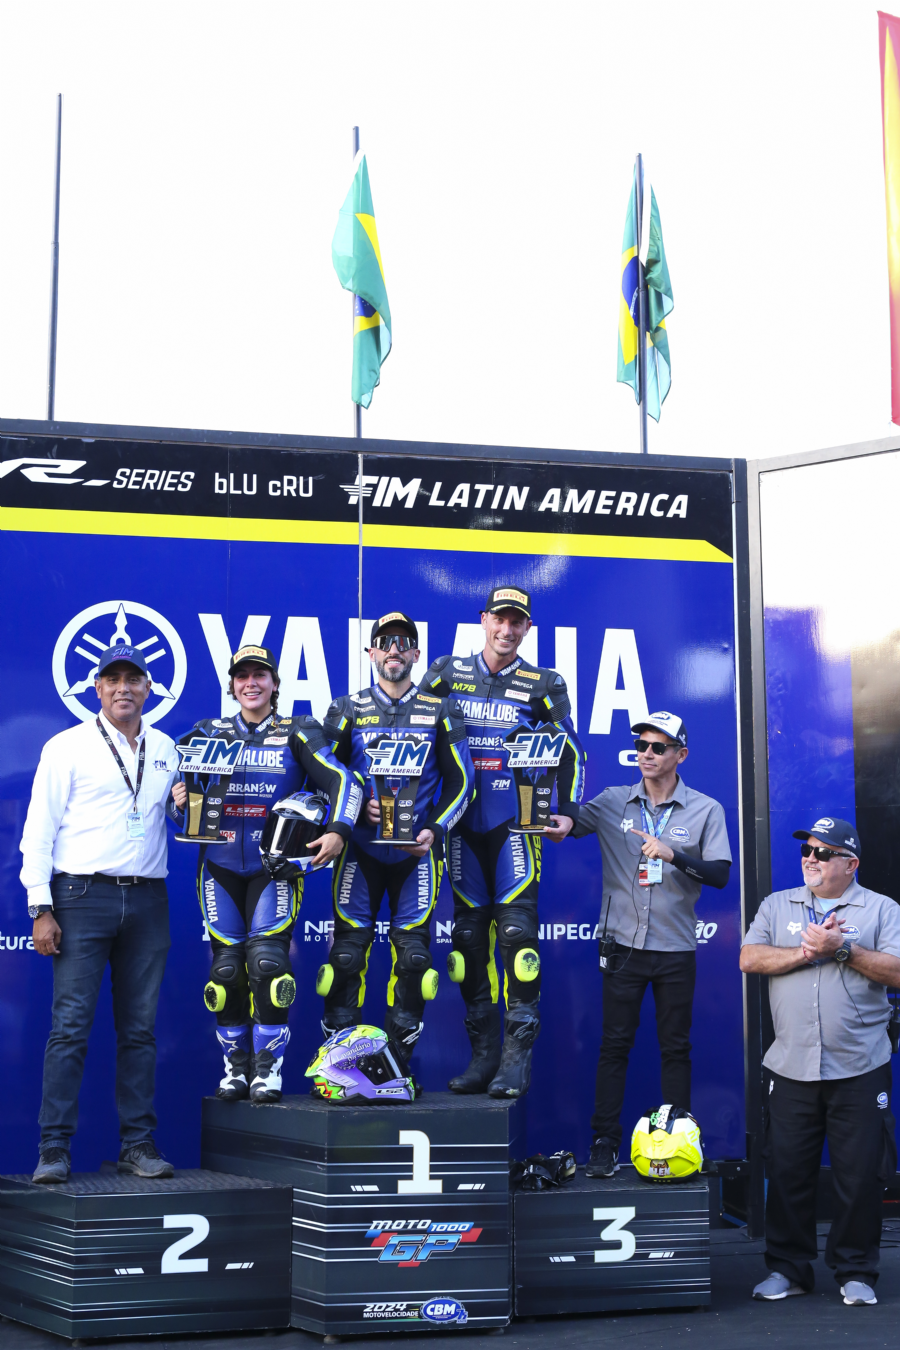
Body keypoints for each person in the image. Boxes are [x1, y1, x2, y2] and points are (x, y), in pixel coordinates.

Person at [20, 644, 186, 1184]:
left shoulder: (166, 748)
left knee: (140, 1031)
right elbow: (38, 832)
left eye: (132, 679)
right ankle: (53, 1148)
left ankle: (137, 1144)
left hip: (148, 899)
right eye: (112, 680)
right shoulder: (66, 746)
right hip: (80, 897)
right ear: (97, 688)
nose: (123, 689)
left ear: (148, 689)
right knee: (69, 1028)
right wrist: (41, 906)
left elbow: (173, 815)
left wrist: (183, 804)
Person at [177, 645, 362, 1104]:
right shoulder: (207, 733)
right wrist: (176, 803)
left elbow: (344, 781)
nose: (251, 684)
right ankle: (235, 1069)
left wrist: (338, 830)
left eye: (260, 675)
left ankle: (268, 1069)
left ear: (275, 683)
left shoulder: (298, 730)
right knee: (225, 971)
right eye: (242, 676)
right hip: (218, 867)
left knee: (268, 965)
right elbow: (176, 799)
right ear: (232, 685)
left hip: (274, 869)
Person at [420, 586, 585, 1098]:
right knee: (468, 941)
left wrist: (569, 812)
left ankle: (516, 1061)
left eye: (517, 622)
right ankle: (484, 1057)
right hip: (460, 826)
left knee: (516, 935)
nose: (507, 630)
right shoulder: (444, 673)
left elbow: (571, 750)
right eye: (500, 619)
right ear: (484, 620)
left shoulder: (545, 683)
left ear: (528, 628)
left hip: (516, 824)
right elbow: (415, 737)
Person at [553, 711, 731, 1176]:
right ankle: (603, 1143)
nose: (646, 754)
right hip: (622, 947)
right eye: (641, 746)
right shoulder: (614, 800)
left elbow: (719, 875)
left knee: (675, 1048)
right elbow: (571, 822)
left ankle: (678, 1142)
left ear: (680, 755)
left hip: (675, 948)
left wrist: (673, 854)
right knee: (614, 1046)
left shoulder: (706, 809)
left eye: (657, 747)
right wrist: (556, 822)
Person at [740, 817, 900, 1308]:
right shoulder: (777, 904)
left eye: (824, 852)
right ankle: (788, 1270)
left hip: (860, 1065)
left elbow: (897, 970)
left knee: (860, 1175)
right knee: (788, 1171)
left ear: (851, 864)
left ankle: (856, 1272)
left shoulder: (882, 908)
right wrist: (809, 953)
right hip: (791, 1065)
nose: (811, 858)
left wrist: (843, 948)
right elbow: (749, 958)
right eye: (807, 850)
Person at [319, 613, 474, 1065]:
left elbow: (462, 782)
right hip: (360, 852)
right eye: (384, 641)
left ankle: (394, 1069)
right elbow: (323, 778)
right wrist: (353, 809)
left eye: (404, 642)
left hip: (416, 854)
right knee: (346, 958)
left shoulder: (441, 709)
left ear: (416, 654)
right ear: (371, 652)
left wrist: (435, 829)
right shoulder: (346, 709)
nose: (394, 649)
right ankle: (342, 1069)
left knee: (413, 961)